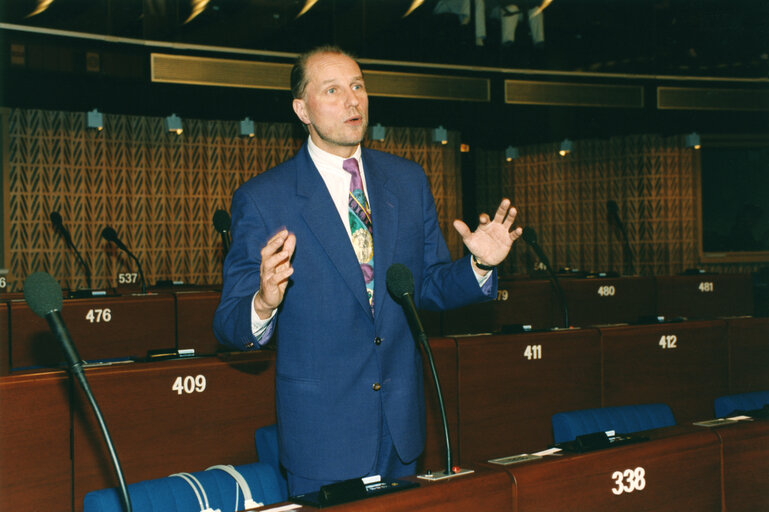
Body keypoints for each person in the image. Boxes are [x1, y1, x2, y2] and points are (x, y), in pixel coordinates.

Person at [213, 45, 522, 497]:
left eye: (358, 85)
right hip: (323, 437)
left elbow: (427, 287)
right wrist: (262, 302)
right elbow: (227, 324)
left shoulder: (407, 180)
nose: (353, 100)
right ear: (302, 108)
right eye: (333, 90)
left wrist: (478, 265)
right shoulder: (264, 198)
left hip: (401, 431)